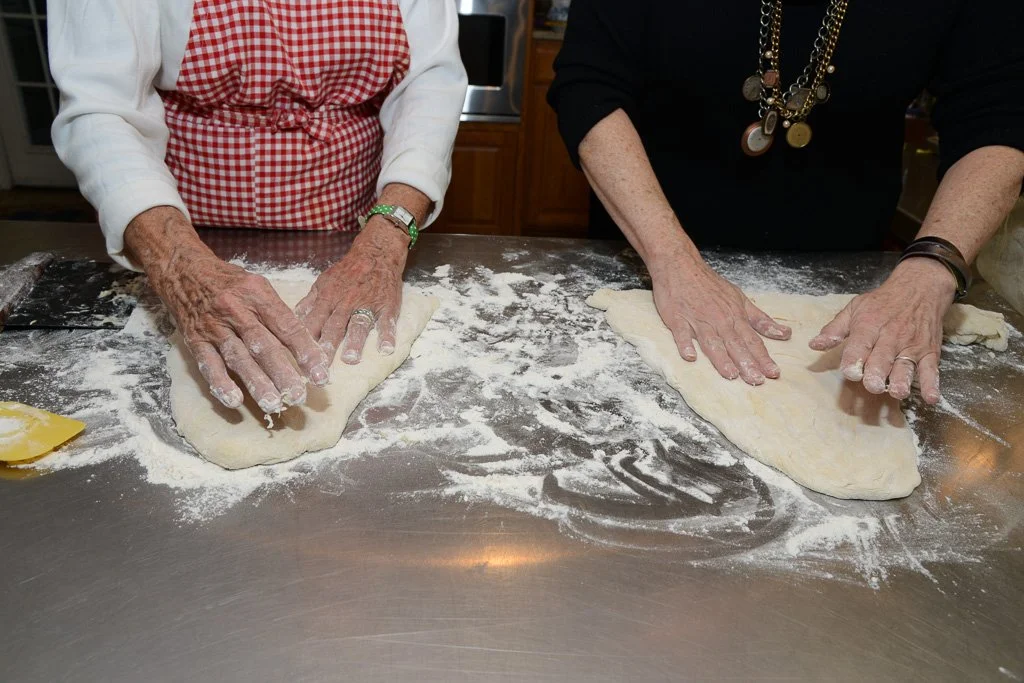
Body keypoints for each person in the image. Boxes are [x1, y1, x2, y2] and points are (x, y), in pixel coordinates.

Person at [548, 0, 1024, 404]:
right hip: (643, 253)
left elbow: (998, 117)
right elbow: (591, 86)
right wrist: (668, 254)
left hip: (847, 273)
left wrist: (931, 269)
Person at [49, 0, 467, 415]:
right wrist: (177, 265)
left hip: (346, 217)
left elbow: (427, 86)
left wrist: (386, 237)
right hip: (181, 221)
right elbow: (102, 106)